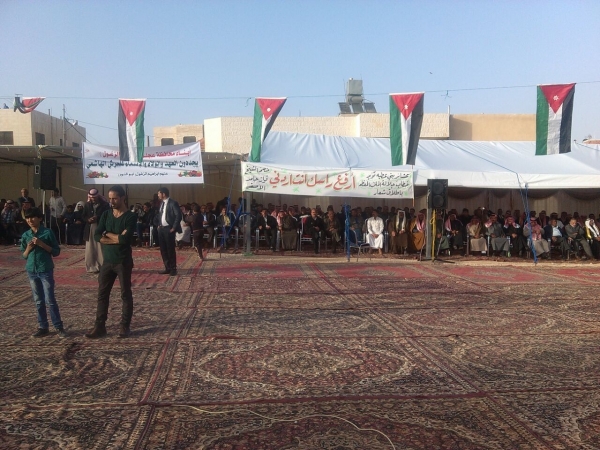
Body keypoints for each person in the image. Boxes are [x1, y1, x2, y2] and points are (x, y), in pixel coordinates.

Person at [85, 185, 137, 339]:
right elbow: (97, 235)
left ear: (123, 198)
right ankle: (99, 326)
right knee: (102, 294)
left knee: (125, 294)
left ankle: (125, 326)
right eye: (110, 198)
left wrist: (108, 235)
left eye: (115, 198)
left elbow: (125, 239)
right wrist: (117, 237)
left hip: (122, 261)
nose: (112, 201)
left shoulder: (130, 216)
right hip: (107, 261)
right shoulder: (106, 214)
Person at [20, 207, 67, 338]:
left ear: (40, 218)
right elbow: (23, 255)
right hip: (32, 270)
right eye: (27, 218)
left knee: (50, 299)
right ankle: (43, 326)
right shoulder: (25, 235)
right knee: (38, 300)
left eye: (32, 217)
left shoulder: (47, 233)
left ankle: (58, 326)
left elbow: (56, 251)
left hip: (45, 269)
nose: (30, 220)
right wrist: (28, 248)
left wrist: (42, 244)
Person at [82, 188, 110, 273]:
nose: (93, 199)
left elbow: (108, 215)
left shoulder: (105, 205)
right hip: (90, 228)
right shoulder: (87, 205)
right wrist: (88, 219)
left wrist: (97, 217)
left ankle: (102, 266)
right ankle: (92, 267)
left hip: (100, 227)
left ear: (98, 196)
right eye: (91, 197)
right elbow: (83, 216)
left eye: (94, 197)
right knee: (90, 248)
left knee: (100, 247)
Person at [156, 187, 182, 275]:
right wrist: (159, 224)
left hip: (169, 228)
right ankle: (167, 267)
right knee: (163, 249)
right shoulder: (162, 203)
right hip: (161, 229)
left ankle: (173, 268)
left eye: (159, 193)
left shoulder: (173, 203)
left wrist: (174, 227)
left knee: (170, 249)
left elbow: (178, 215)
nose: (158, 195)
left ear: (163, 194)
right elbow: (160, 215)